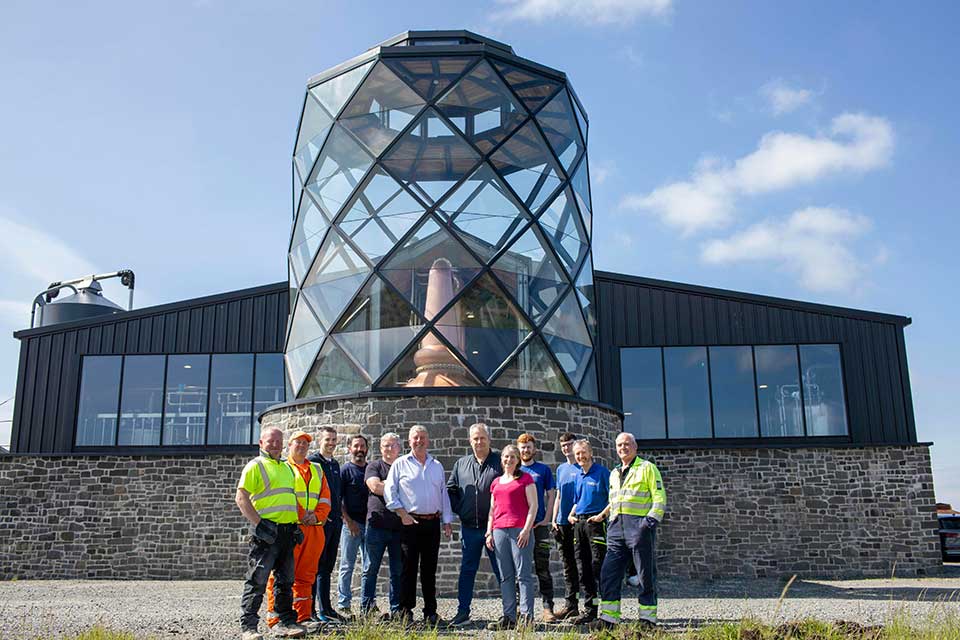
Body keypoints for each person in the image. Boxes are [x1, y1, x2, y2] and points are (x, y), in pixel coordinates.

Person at [235, 426, 307, 640]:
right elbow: (241, 498)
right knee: (257, 580)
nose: (275, 444)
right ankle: (248, 627)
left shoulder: (286, 467)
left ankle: (286, 622)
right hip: (266, 535)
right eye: (270, 440)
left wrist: (295, 524)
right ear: (261, 443)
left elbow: (289, 498)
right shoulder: (255, 466)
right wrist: (260, 525)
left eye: (278, 440)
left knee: (285, 581)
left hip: (286, 532)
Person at [595, 432, 666, 629]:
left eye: (627, 444)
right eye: (619, 445)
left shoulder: (647, 468)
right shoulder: (614, 473)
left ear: (635, 447)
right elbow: (613, 501)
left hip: (639, 528)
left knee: (644, 576)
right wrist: (609, 522)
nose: (622, 448)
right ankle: (609, 619)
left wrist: (647, 524)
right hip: (617, 529)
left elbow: (659, 499)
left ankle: (647, 620)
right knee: (609, 573)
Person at [384, 425, 453, 626]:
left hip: (432, 524)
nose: (419, 441)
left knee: (429, 570)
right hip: (410, 523)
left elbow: (443, 494)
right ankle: (406, 612)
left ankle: (430, 612)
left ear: (428, 441)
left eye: (423, 437)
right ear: (409, 441)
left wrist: (447, 521)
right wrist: (401, 513)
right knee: (408, 568)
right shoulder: (400, 464)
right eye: (415, 437)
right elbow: (390, 491)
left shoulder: (436, 465)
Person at [264, 431, 332, 633]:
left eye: (305, 443)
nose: (302, 446)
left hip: (314, 529)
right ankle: (275, 617)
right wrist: (302, 515)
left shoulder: (318, 469)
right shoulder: (284, 468)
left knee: (306, 576)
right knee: (280, 575)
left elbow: (326, 497)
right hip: (292, 528)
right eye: (298, 442)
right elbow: (286, 495)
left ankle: (302, 617)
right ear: (289, 445)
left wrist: (317, 516)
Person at [447, 423, 503, 627]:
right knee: (467, 570)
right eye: (475, 438)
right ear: (470, 441)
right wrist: (461, 508)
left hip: (496, 528)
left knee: (502, 570)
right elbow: (451, 489)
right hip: (469, 527)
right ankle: (463, 612)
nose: (479, 442)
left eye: (482, 438)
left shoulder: (500, 462)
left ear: (489, 439)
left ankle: (510, 613)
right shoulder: (461, 464)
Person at [484, 444, 538, 631]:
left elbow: (533, 506)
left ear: (518, 460)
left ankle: (526, 617)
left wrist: (526, 530)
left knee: (523, 576)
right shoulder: (496, 482)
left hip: (519, 532)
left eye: (513, 457)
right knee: (506, 577)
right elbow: (492, 510)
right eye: (506, 457)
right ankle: (509, 616)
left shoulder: (526, 479)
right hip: (499, 531)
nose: (509, 460)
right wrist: (489, 531)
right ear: (502, 459)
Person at [566, 439, 610, 626]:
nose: (581, 457)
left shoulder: (602, 473)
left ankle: (607, 613)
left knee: (597, 567)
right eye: (577, 454)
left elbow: (613, 499)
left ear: (591, 453)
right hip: (579, 523)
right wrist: (570, 514)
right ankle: (590, 610)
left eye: (583, 453)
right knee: (582, 569)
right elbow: (577, 500)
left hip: (596, 523)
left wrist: (601, 516)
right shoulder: (578, 475)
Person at [361, 432, 404, 619]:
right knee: (370, 568)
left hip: (399, 527)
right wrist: (396, 485)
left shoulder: (405, 467)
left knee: (397, 571)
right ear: (380, 448)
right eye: (385, 445)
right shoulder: (374, 466)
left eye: (393, 445)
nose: (389, 448)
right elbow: (375, 487)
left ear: (399, 448)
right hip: (376, 525)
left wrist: (386, 484)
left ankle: (396, 609)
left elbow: (411, 489)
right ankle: (367, 608)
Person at [516, 433, 557, 622]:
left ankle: (547, 607)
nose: (526, 450)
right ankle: (519, 607)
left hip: (538, 526)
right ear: (518, 449)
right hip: (517, 527)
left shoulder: (543, 470)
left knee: (542, 567)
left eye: (529, 446)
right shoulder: (513, 470)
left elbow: (551, 495)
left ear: (535, 449)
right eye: (523, 447)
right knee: (519, 569)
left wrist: (547, 519)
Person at [308, 426, 344, 623]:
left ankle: (326, 609)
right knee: (315, 566)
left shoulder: (335, 464)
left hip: (335, 524)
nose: (331, 443)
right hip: (321, 524)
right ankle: (310, 611)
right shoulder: (314, 463)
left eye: (333, 440)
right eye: (327, 439)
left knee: (327, 568)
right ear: (319, 441)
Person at [337, 434, 370, 617]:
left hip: (371, 526)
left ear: (367, 449)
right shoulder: (345, 470)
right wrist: (349, 522)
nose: (359, 449)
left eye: (362, 446)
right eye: (356, 446)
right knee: (347, 566)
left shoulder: (371, 469)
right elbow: (338, 499)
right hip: (351, 526)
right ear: (350, 448)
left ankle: (367, 604)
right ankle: (344, 604)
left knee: (369, 566)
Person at [550, 432, 581, 621]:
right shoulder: (561, 469)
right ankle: (571, 605)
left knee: (581, 565)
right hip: (561, 523)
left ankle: (588, 606)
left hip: (577, 522)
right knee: (568, 566)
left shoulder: (582, 466)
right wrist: (554, 518)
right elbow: (559, 496)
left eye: (569, 444)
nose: (566, 448)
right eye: (563, 445)